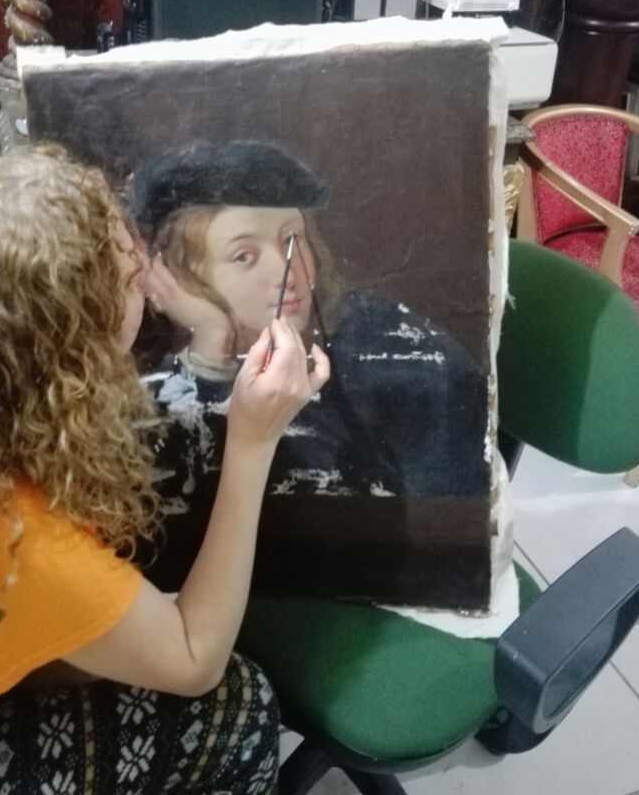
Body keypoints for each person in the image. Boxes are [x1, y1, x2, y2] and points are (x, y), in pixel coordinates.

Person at [0, 147, 329, 795]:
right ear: (73, 364)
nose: (147, 266)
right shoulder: (7, 538)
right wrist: (251, 441)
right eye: (131, 278)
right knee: (239, 709)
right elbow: (195, 659)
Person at [129, 141, 490, 607]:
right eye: (244, 256)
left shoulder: (396, 352)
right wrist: (212, 354)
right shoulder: (146, 379)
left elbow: (433, 540)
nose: (288, 271)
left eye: (291, 240)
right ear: (177, 278)